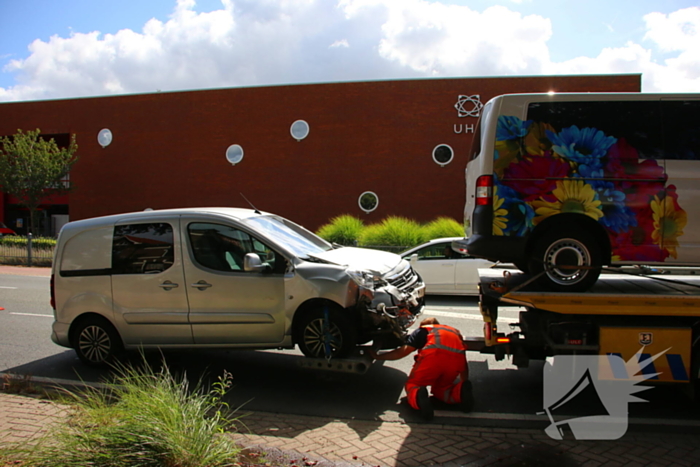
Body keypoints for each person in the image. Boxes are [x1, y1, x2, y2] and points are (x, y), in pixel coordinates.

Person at [368, 317, 473, 420]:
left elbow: (403, 351)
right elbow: (462, 358)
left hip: (433, 358)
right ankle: (459, 394)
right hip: (455, 363)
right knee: (443, 388)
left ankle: (418, 396)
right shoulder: (454, 332)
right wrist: (464, 381)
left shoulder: (423, 330)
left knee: (413, 384)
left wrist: (379, 357)